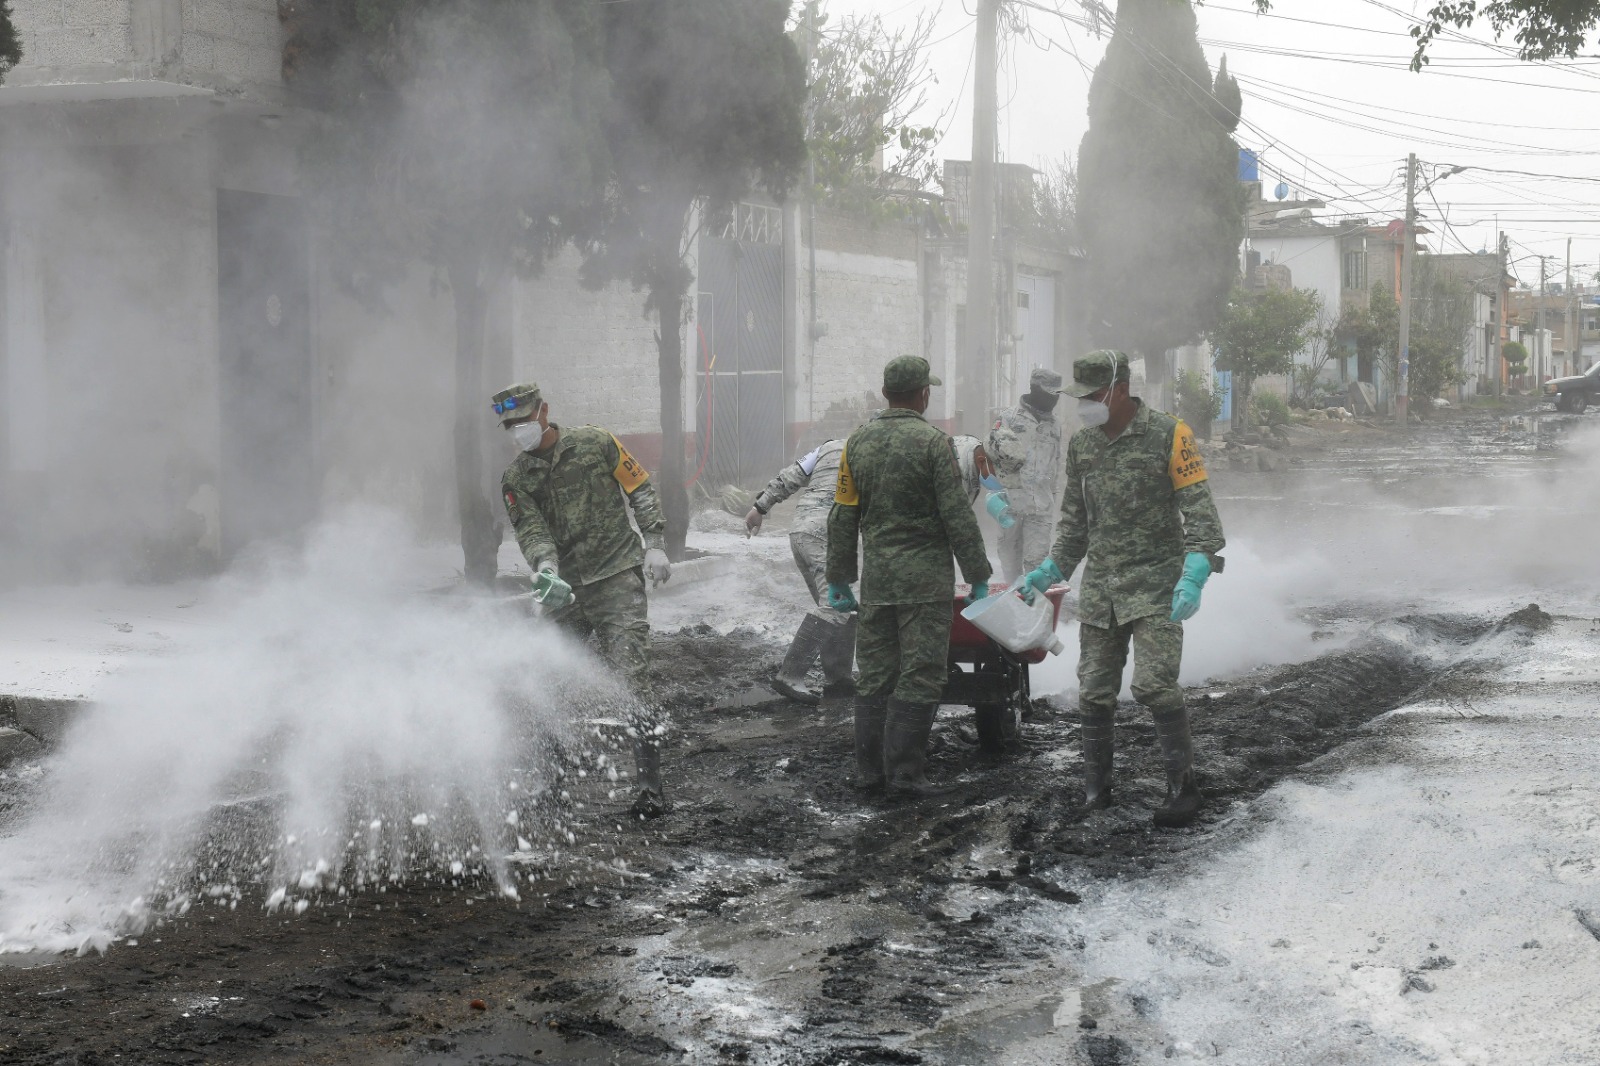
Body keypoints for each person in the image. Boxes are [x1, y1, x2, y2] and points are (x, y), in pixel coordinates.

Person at [1021, 350, 1225, 828]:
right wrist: (1049, 568)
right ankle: (1097, 791)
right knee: (1093, 692)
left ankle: (1183, 788)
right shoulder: (1084, 446)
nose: (1085, 404)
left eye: (1092, 395)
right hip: (1102, 591)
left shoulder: (1170, 435)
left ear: (1117, 388)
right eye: (1081, 397)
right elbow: (1074, 525)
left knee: (1153, 685)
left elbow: (1202, 518)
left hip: (1156, 587)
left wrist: (1194, 572)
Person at [493, 382, 674, 818]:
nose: (518, 431)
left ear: (544, 412)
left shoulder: (596, 442)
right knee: (546, 680)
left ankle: (651, 789)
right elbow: (531, 531)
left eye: (522, 421)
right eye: (509, 426)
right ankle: (552, 784)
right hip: (566, 590)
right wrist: (546, 568)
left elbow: (640, 487)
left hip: (616, 578)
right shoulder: (517, 478)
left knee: (633, 676)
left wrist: (654, 541)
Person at [826, 356, 994, 797]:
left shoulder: (856, 444)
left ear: (885, 393)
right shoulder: (933, 444)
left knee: (876, 675)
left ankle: (869, 773)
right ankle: (905, 774)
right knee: (921, 674)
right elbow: (956, 514)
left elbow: (843, 513)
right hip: (924, 584)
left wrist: (839, 577)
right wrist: (977, 574)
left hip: (879, 583)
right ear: (923, 395)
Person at [744, 438, 854, 705]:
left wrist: (759, 508)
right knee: (834, 606)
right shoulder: (877, 451)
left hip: (801, 532)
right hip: (828, 533)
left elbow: (790, 476)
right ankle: (790, 675)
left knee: (841, 603)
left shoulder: (831, 446)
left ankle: (838, 679)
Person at [988, 367, 1066, 580]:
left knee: (1037, 565)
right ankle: (1013, 604)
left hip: (1041, 506)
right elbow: (991, 459)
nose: (1053, 400)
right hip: (1011, 505)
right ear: (1033, 389)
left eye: (1056, 395)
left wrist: (1054, 499)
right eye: (1049, 394)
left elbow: (1056, 464)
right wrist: (995, 497)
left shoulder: (1056, 425)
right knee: (1010, 564)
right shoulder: (1008, 418)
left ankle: (1033, 608)